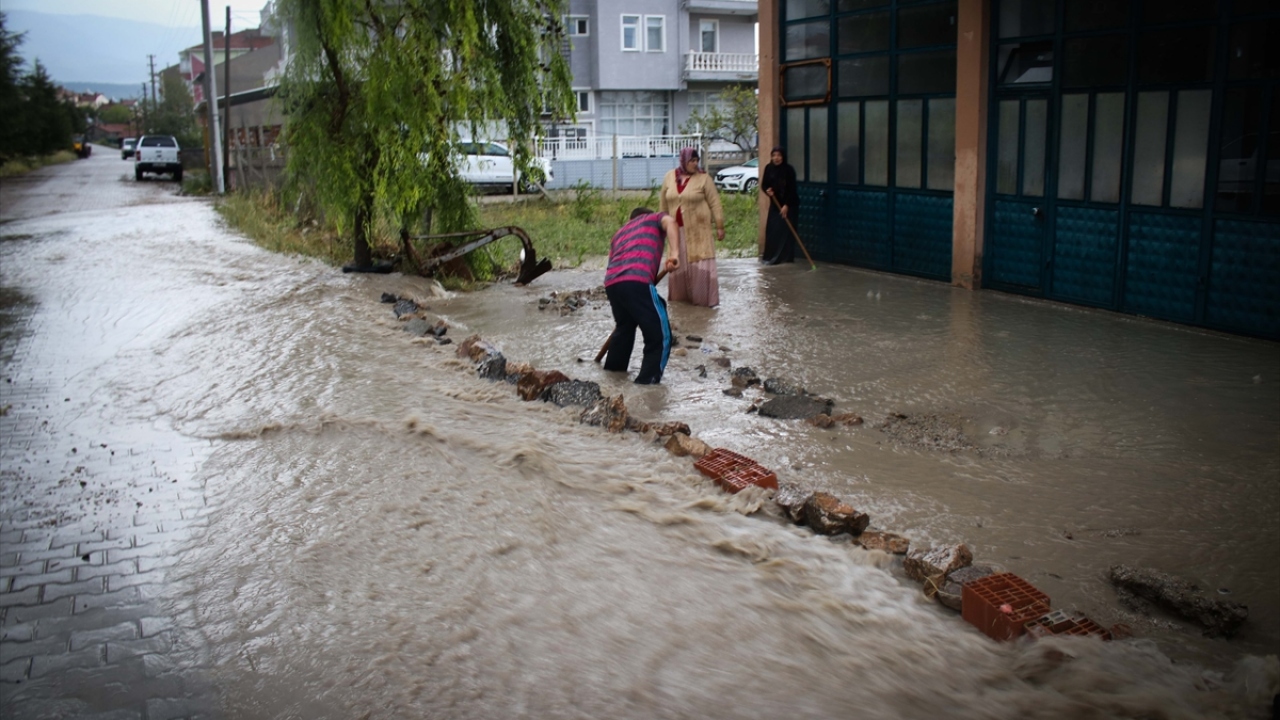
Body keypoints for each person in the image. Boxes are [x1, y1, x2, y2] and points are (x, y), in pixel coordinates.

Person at [602, 208, 681, 385]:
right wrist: (674, 253)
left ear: (631, 219)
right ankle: (648, 384)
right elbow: (671, 223)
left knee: (624, 328)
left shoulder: (619, 234)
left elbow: (612, 262)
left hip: (613, 283)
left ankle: (613, 377)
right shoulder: (654, 218)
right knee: (660, 335)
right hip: (636, 280)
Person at [660, 147, 725, 308]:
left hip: (699, 231)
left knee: (699, 265)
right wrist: (661, 226)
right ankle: (681, 303)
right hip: (676, 233)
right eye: (692, 161)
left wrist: (719, 225)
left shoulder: (704, 179)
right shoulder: (669, 177)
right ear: (684, 161)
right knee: (677, 264)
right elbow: (663, 205)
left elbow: (715, 203)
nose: (695, 164)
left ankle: (703, 303)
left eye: (697, 161)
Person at [761, 147, 799, 265]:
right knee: (773, 230)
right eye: (774, 155)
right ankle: (771, 256)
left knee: (786, 232)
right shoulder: (769, 168)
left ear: (783, 157)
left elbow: (792, 189)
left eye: (779, 155)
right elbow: (764, 184)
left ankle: (786, 258)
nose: (776, 158)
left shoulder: (789, 170)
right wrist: (768, 191)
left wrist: (786, 205)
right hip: (775, 204)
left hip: (790, 204)